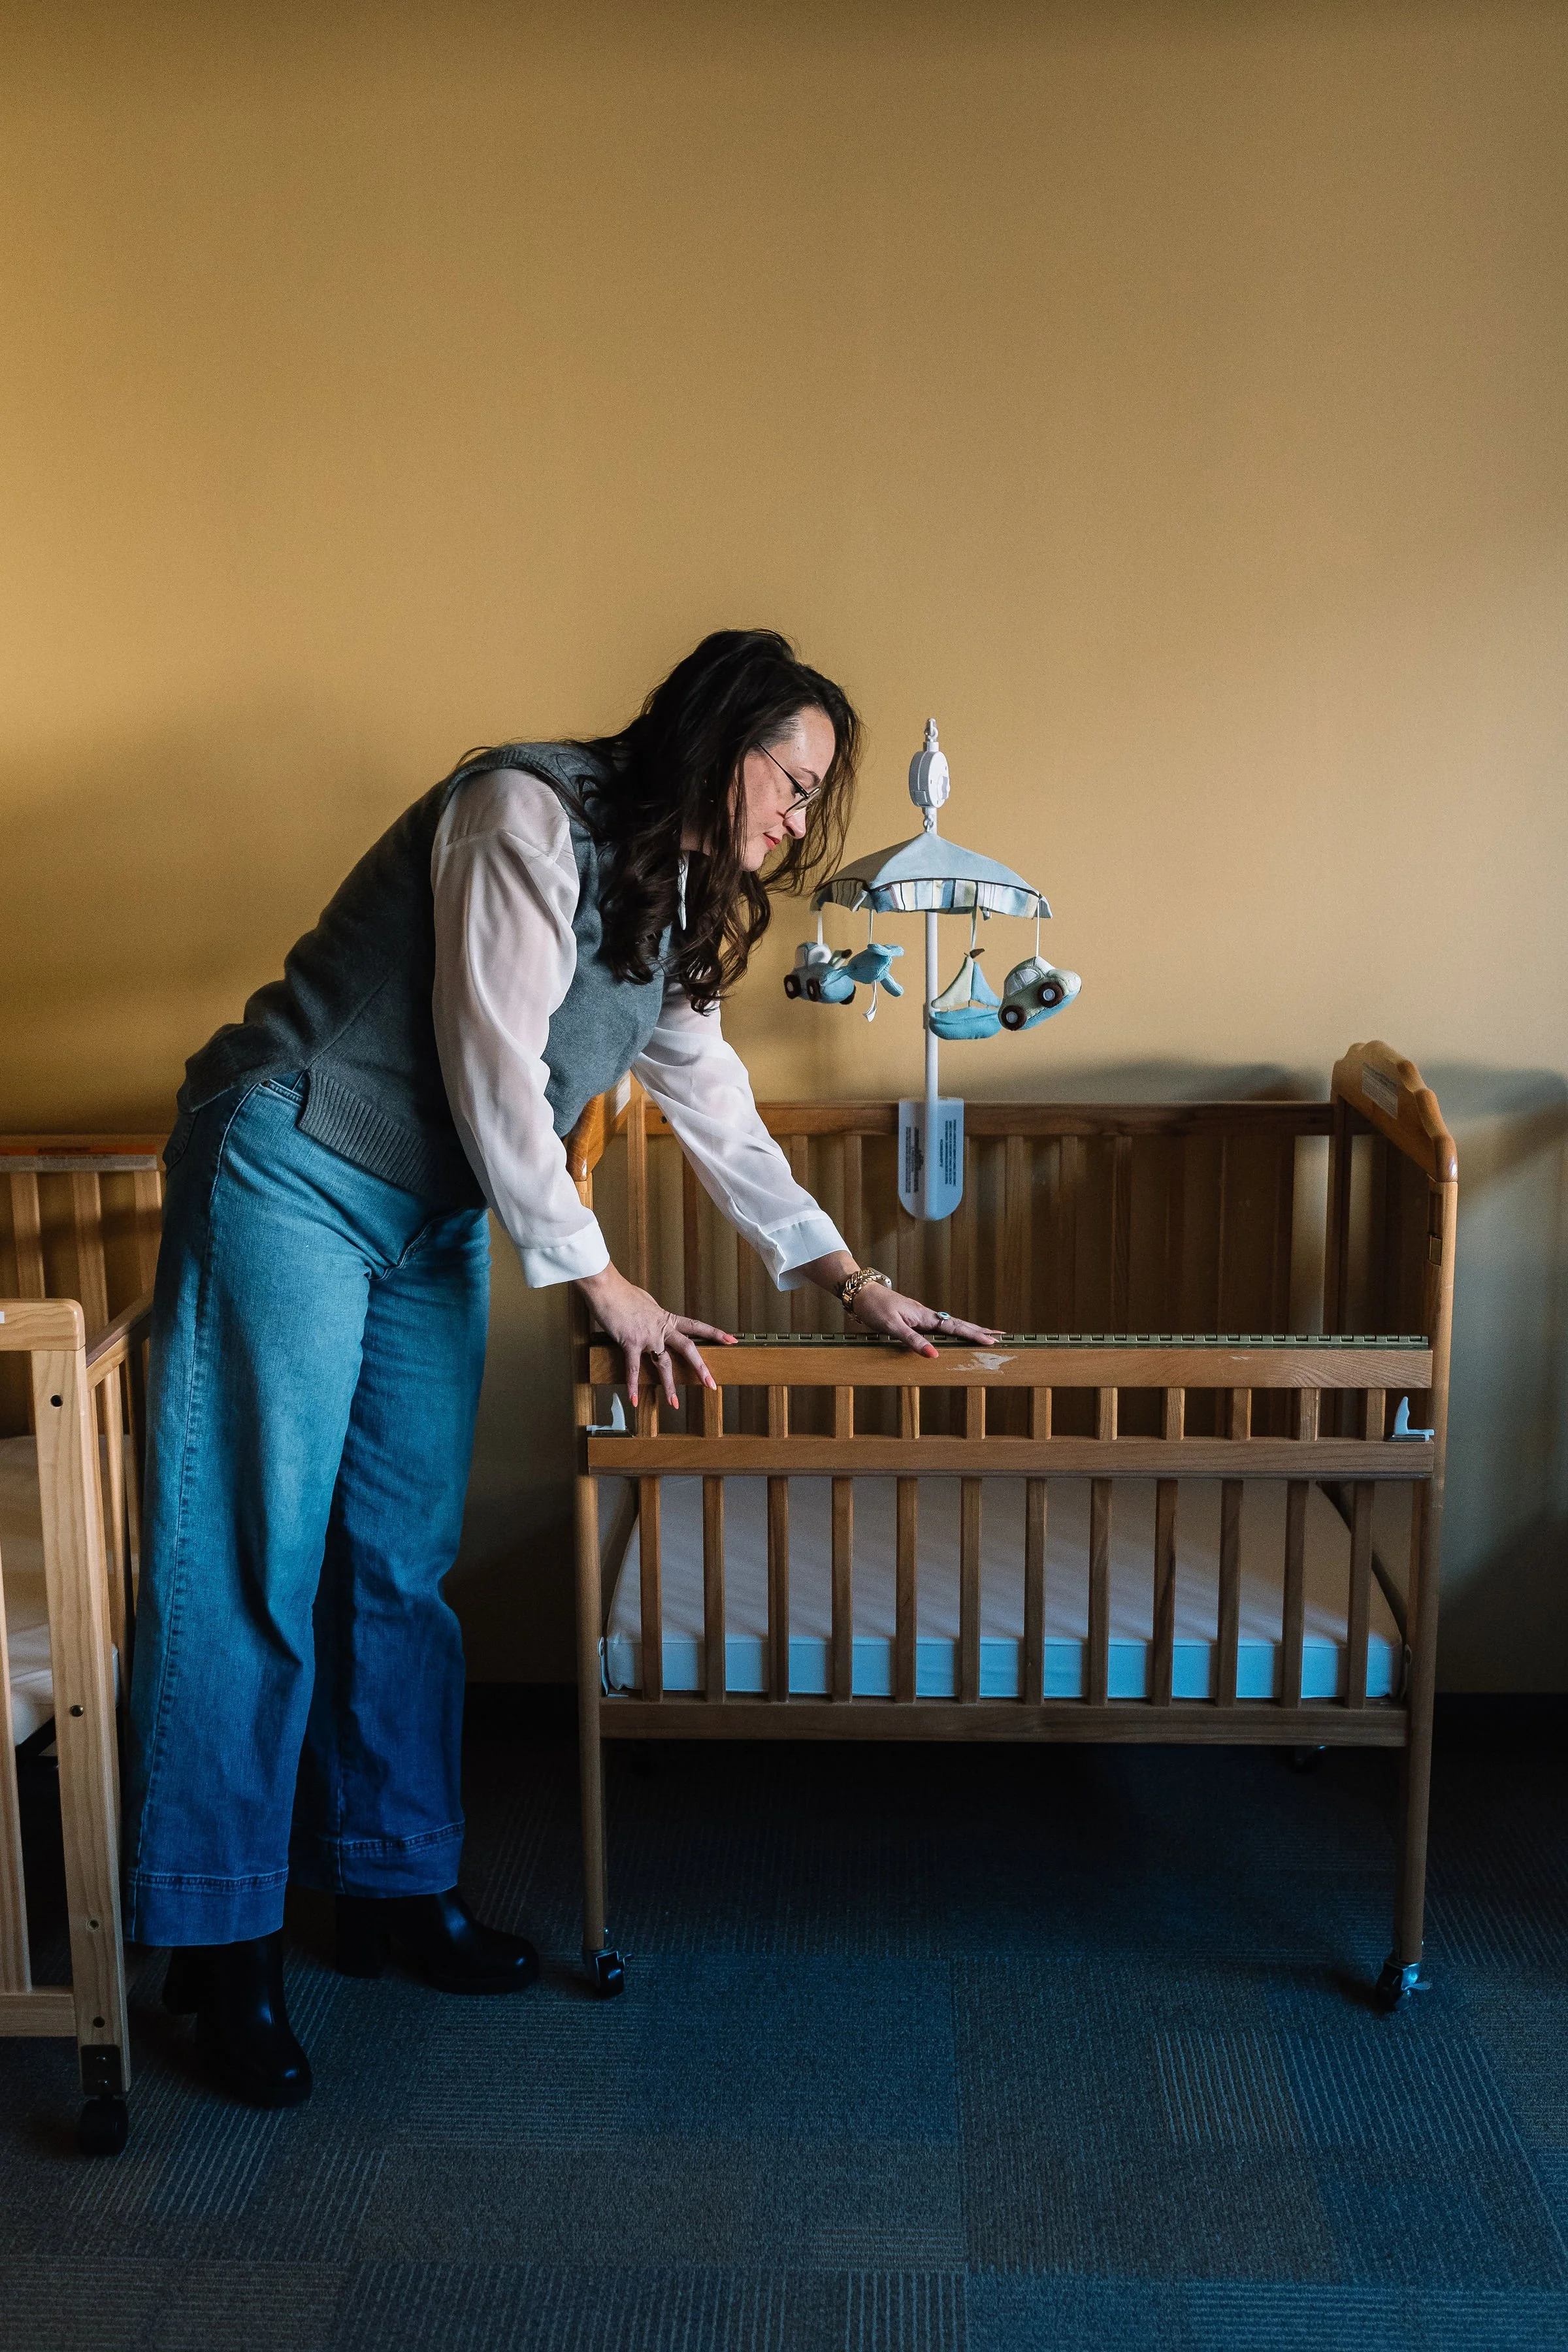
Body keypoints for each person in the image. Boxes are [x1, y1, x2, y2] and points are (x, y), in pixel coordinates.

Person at [123, 629, 998, 2108]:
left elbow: (707, 1093)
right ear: (723, 741)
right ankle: (224, 1946)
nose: (798, 821)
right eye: (793, 784)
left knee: (402, 1561)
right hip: (299, 1166)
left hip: (436, 1209)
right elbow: (488, 1057)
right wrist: (599, 1278)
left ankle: (397, 1892)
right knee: (253, 1566)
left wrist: (847, 1277)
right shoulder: (522, 811)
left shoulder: (677, 888)